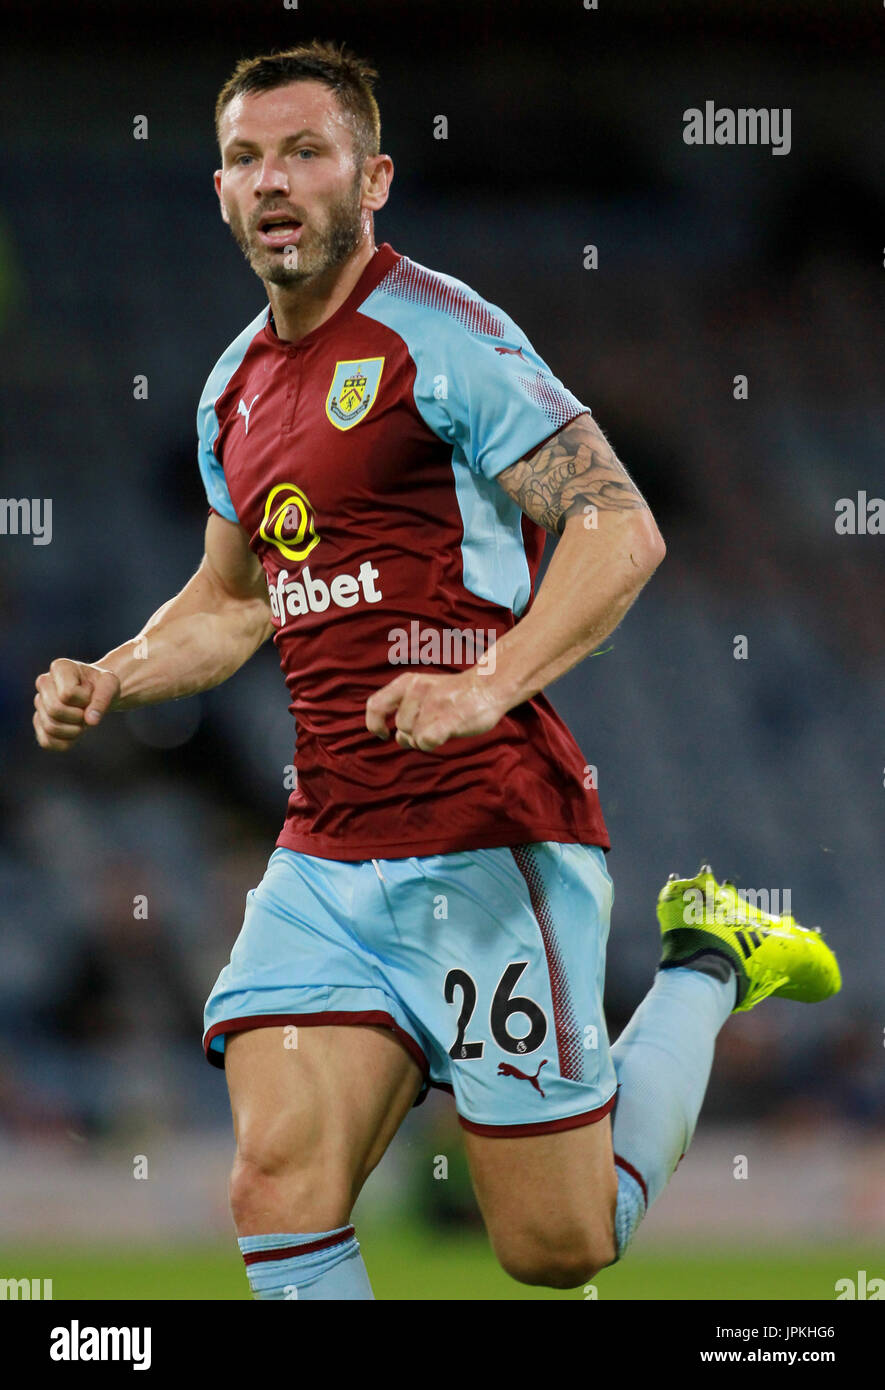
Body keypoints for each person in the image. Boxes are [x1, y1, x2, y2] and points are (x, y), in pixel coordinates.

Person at [33, 41, 840, 1300]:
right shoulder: (232, 390)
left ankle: (709, 962)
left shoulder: (440, 335)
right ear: (221, 193)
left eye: (307, 151)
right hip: (326, 853)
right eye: (247, 157)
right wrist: (116, 671)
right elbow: (231, 604)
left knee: (557, 1248)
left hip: (487, 833)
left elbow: (620, 529)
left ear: (375, 179)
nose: (274, 180)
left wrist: (487, 682)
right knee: (275, 1185)